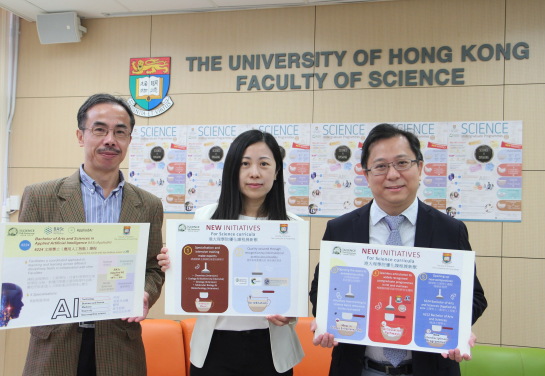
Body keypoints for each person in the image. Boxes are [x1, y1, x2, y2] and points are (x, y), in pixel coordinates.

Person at [309, 124, 487, 376]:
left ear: (420, 167)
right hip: (358, 368)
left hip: (429, 369)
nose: (392, 174)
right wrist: (327, 319)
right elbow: (320, 292)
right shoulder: (340, 229)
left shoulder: (450, 229)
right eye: (381, 166)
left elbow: (475, 297)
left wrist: (455, 327)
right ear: (365, 173)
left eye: (402, 163)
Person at [19, 93, 165, 376]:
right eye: (100, 130)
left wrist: (145, 293)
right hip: (55, 343)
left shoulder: (148, 205)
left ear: (129, 140)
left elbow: (153, 268)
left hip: (119, 342)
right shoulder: (40, 196)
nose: (110, 139)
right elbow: (22, 267)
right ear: (80, 135)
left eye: (120, 132)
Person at [158, 130, 304, 376]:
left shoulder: (293, 226)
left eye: (264, 164)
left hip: (271, 349)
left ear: (277, 172)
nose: (254, 173)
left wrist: (291, 314)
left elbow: (295, 293)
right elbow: (195, 280)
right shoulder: (204, 218)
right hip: (214, 347)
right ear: (232, 170)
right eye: (245, 164)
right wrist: (174, 266)